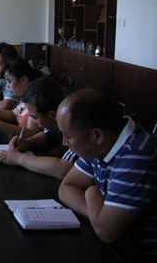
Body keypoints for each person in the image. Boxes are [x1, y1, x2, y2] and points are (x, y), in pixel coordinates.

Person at [58, 88, 157, 256]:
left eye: (68, 136)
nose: (64, 142)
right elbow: (66, 187)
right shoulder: (100, 144)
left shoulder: (137, 154)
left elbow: (106, 232)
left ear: (97, 135)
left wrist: (91, 190)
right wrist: (98, 215)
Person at [0, 76, 77, 179]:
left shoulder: (74, 128)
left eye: (35, 117)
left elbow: (63, 169)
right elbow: (47, 138)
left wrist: (19, 159)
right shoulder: (55, 122)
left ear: (52, 115)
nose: (34, 121)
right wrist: (28, 142)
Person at [0, 58, 42, 137]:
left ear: (23, 80)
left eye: (10, 82)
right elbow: (13, 114)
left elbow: (31, 133)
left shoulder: (35, 100)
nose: (7, 86)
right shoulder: (26, 97)